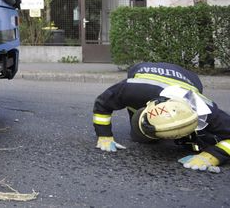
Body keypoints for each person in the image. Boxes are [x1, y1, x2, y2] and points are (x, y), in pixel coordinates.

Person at [92, 62, 230, 173]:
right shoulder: (131, 90)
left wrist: (214, 155)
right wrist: (104, 136)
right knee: (141, 138)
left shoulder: (206, 110)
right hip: (144, 73)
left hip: (190, 78)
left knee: (195, 140)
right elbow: (102, 104)